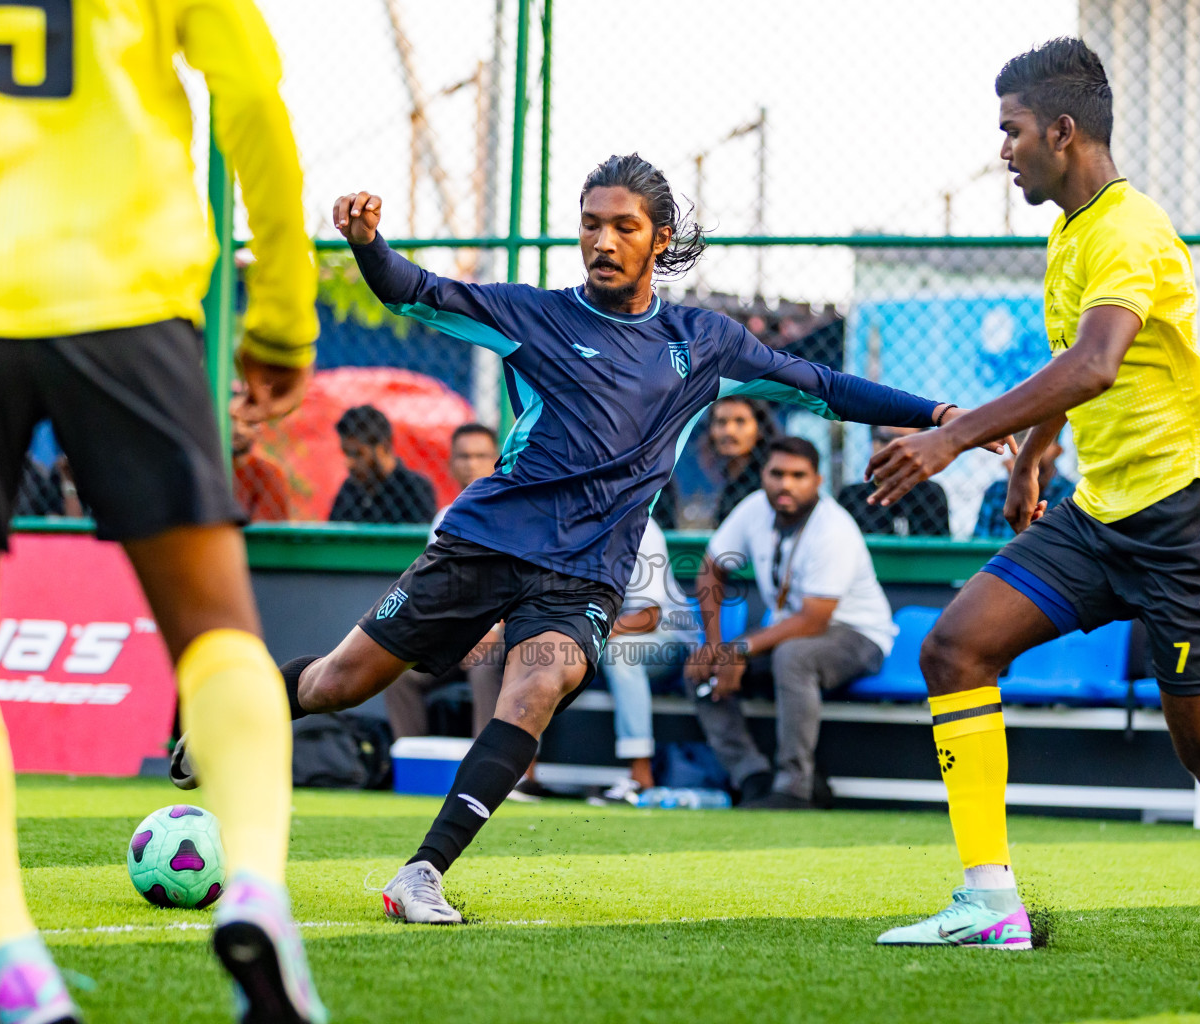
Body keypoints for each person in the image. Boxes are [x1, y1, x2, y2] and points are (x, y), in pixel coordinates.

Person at [176, 152, 1000, 924]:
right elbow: (413, 291)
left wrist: (935, 414)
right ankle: (219, 724)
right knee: (335, 684)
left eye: (624, 227)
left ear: (660, 239)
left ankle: (421, 872)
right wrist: (367, 244)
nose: (602, 242)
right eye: (590, 224)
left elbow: (823, 386)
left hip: (586, 575)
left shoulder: (702, 344)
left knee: (536, 689)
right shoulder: (531, 316)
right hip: (486, 543)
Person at [0, 2, 329, 1020]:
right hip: (126, 303)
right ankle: (262, 895)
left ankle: (13, 960)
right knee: (216, 629)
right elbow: (251, 102)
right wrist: (283, 305)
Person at [864, 38, 1200, 950]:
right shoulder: (1070, 231)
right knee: (955, 649)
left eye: (1011, 131)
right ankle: (990, 905)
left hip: (1191, 518)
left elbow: (1095, 364)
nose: (1003, 150)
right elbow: (1082, 366)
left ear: (1062, 130)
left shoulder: (1132, 230)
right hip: (1104, 514)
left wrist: (952, 437)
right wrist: (1031, 458)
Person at [686, 437, 894, 809]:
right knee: (701, 668)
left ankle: (793, 789)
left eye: (798, 476)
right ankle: (752, 777)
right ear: (762, 475)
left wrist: (739, 648)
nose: (786, 484)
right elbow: (710, 570)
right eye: (777, 473)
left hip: (857, 635)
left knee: (793, 657)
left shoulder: (833, 528)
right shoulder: (754, 509)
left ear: (817, 480)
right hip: (789, 633)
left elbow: (815, 619)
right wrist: (716, 647)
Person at [384, 423, 506, 740]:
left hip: (504, 635)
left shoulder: (515, 514)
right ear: (451, 463)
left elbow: (518, 588)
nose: (471, 463)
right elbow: (436, 589)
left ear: (497, 460)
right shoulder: (444, 517)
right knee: (397, 672)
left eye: (480, 455)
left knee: (484, 665)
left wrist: (490, 632)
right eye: (463, 456)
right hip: (455, 634)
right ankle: (413, 769)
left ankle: (487, 776)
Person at [598, 515, 693, 801]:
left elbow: (648, 618)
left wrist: (589, 634)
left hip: (668, 639)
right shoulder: (566, 524)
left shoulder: (641, 527)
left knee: (621, 653)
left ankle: (640, 777)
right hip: (601, 635)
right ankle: (526, 776)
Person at [328, 404, 437, 524]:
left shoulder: (414, 488)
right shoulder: (349, 489)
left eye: (358, 454)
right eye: (347, 454)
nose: (350, 463)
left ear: (383, 447)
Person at [837, 426, 950, 536]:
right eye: (884, 439)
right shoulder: (852, 496)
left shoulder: (930, 494)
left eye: (905, 442)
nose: (891, 448)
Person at [972, 435, 1074, 538]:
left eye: (1043, 442)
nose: (1030, 449)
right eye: (1022, 439)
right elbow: (979, 543)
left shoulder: (1071, 494)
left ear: (1058, 451)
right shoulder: (996, 491)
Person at [707, 396, 780, 524]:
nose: (729, 431)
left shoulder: (768, 481)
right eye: (721, 422)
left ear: (760, 430)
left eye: (740, 421)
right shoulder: (730, 480)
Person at [232, 392, 293, 523]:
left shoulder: (268, 474)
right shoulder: (208, 469)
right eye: (231, 420)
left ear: (258, 430)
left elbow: (265, 531)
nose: (238, 430)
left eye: (248, 423)